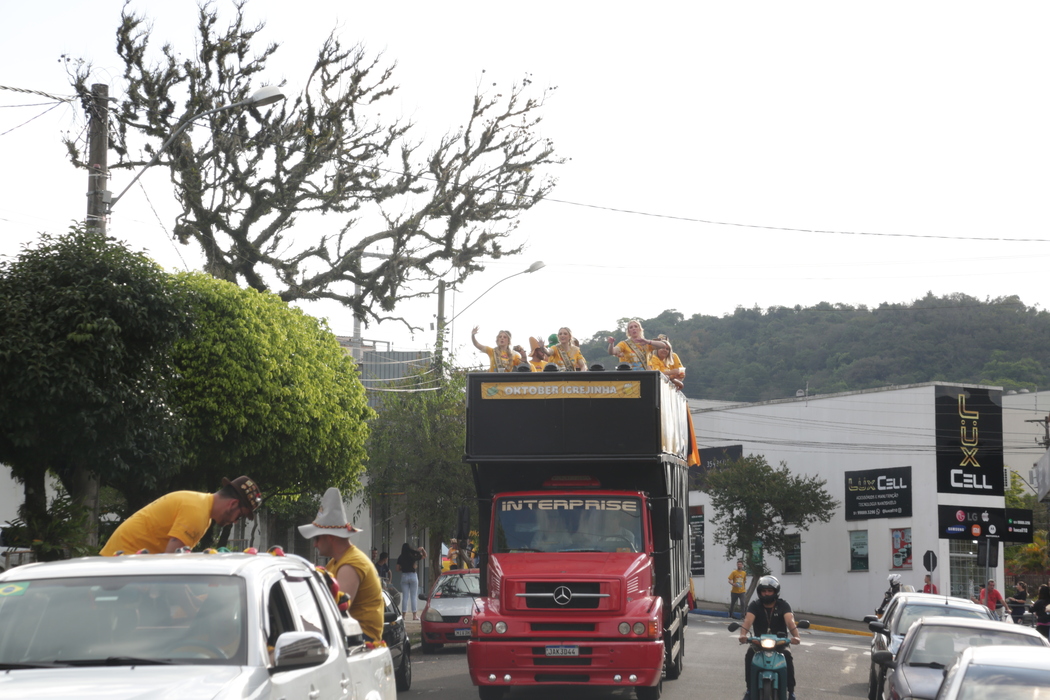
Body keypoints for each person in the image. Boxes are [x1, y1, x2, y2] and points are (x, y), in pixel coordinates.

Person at [298, 487, 384, 641]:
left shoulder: (350, 565)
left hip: (360, 642)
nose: (315, 545)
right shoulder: (336, 562)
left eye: (316, 538)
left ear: (330, 537)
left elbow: (334, 614)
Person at [100, 476, 262, 555]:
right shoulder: (197, 514)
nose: (234, 522)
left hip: (120, 563)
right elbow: (171, 565)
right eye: (239, 516)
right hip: (121, 567)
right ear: (233, 504)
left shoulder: (199, 505)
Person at [737, 576, 800, 700]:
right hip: (758, 642)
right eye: (763, 591)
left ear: (775, 592)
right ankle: (749, 689)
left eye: (769, 591)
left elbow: (790, 622)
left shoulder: (783, 605)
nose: (766, 594)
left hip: (780, 642)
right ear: (759, 592)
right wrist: (743, 635)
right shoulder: (755, 605)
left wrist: (796, 636)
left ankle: (791, 691)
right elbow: (748, 621)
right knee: (749, 654)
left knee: (787, 656)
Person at [397, 542, 427, 620]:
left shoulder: (401, 557)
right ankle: (414, 616)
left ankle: (403, 616)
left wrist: (403, 568)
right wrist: (423, 549)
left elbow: (397, 569)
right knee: (413, 596)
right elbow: (425, 556)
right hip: (413, 576)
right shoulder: (413, 555)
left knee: (405, 597)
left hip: (404, 576)